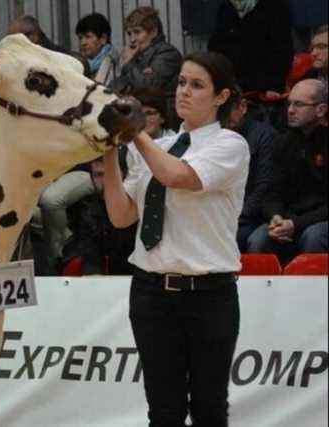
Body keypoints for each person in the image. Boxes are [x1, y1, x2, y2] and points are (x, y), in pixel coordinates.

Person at [103, 51, 248, 426]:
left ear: (221, 96)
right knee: (163, 411)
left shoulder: (230, 145)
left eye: (197, 85)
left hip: (209, 294)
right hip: (150, 292)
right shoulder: (158, 148)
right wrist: (106, 153)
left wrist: (136, 134)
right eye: (182, 82)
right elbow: (121, 216)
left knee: (208, 408)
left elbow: (180, 177)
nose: (184, 91)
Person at [246, 79, 328, 261]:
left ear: (321, 110)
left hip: (319, 220)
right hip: (288, 218)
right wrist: (275, 217)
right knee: (258, 240)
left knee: (314, 237)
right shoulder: (283, 142)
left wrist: (296, 224)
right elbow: (271, 192)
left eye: (298, 104)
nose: (290, 110)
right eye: (289, 103)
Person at [61, 157, 136, 275]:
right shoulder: (91, 211)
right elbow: (91, 258)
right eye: (98, 175)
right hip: (115, 277)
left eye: (111, 175)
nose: (105, 180)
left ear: (124, 174)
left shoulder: (139, 205)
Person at [225, 89, 277, 252]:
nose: (225, 116)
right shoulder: (218, 135)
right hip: (224, 212)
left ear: (243, 107)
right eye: (220, 111)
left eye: (230, 110)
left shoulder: (265, 136)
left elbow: (264, 186)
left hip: (254, 215)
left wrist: (236, 216)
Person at [208, 0, 293, 96]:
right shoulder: (226, 8)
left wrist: (274, 86)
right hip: (232, 87)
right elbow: (215, 48)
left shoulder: (275, 6)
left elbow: (283, 51)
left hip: (263, 89)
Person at [110, 7, 182, 97]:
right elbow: (118, 85)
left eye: (137, 32)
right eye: (129, 33)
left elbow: (148, 88)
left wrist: (129, 64)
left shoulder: (168, 54)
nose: (132, 39)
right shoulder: (137, 55)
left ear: (153, 32)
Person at [75, 13, 119, 85]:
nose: (83, 43)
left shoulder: (112, 63)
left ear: (103, 39)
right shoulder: (82, 65)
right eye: (80, 38)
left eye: (88, 37)